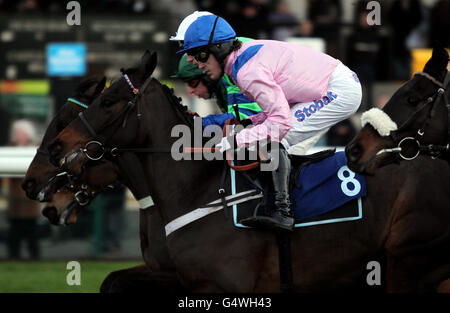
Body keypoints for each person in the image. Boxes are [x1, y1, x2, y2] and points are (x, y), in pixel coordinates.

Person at [178, 14, 362, 231]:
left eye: (197, 56)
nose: (197, 64)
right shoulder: (241, 61)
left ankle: (283, 212)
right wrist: (247, 126)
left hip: (338, 91)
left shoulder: (247, 72)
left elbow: (280, 123)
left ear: (216, 49)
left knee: (273, 141)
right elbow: (270, 115)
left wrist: (237, 138)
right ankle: (275, 204)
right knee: (262, 136)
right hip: (329, 85)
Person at [171, 52, 262, 128]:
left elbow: (243, 119)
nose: (190, 91)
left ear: (207, 76)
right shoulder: (221, 86)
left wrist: (196, 122)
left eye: (192, 83)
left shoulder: (232, 73)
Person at [6, 119, 41, 259]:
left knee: (31, 233)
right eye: (17, 133)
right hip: (15, 201)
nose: (18, 135)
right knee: (14, 234)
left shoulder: (37, 148)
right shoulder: (10, 149)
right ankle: (13, 258)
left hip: (30, 201)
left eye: (21, 133)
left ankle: (35, 259)